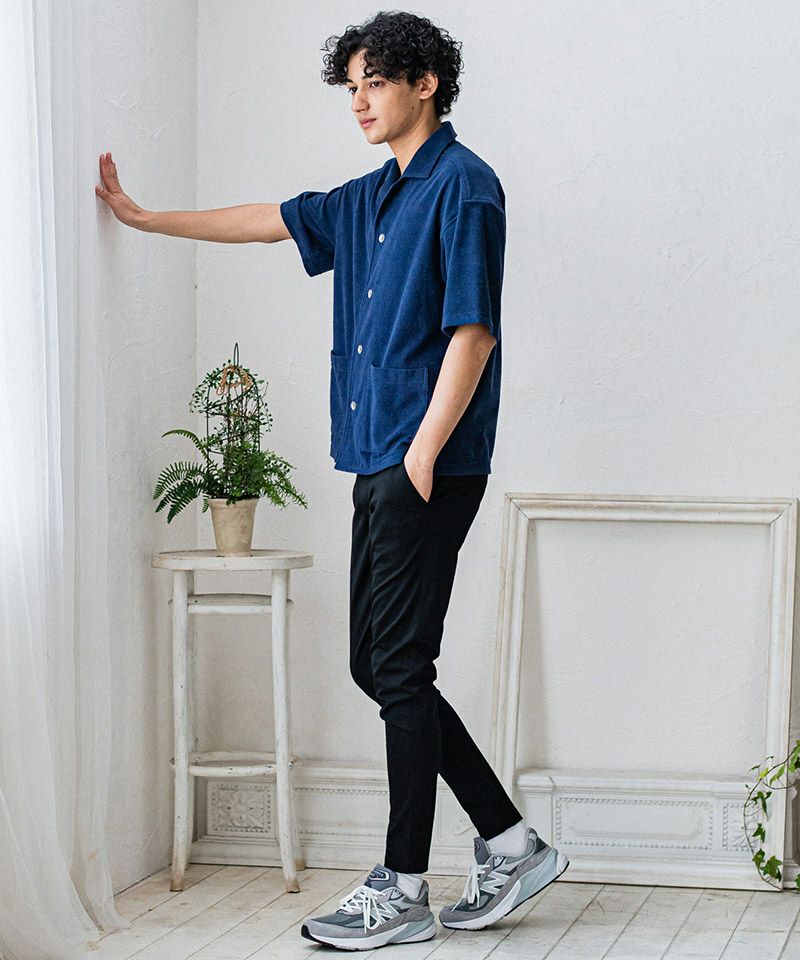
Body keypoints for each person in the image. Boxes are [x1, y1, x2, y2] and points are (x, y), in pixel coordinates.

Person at [96, 9, 569, 951]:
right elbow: (266, 221)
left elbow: (474, 330)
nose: (359, 102)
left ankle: (403, 887)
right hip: (376, 453)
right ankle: (512, 844)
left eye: (375, 83)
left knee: (399, 665)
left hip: (427, 460)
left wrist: (424, 452)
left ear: (425, 82)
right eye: (351, 87)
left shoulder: (465, 186)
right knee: (376, 663)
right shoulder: (368, 197)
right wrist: (146, 219)